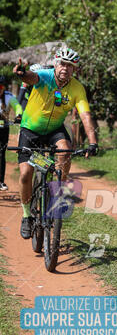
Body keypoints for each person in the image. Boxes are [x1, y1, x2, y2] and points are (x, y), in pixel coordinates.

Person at [13, 45, 98, 239]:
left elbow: (85, 115)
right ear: (55, 63)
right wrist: (21, 73)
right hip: (30, 129)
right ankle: (27, 216)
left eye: (70, 66)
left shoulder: (77, 88)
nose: (65, 68)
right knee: (26, 174)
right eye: (62, 64)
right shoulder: (44, 76)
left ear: (74, 69)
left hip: (54, 130)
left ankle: (57, 190)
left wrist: (92, 142)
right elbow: (30, 78)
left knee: (65, 151)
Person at [0, 75, 23, 191]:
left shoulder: (9, 97)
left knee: (1, 154)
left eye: (0, 87)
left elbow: (17, 106)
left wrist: (18, 115)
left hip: (3, 128)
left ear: (4, 87)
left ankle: (1, 181)